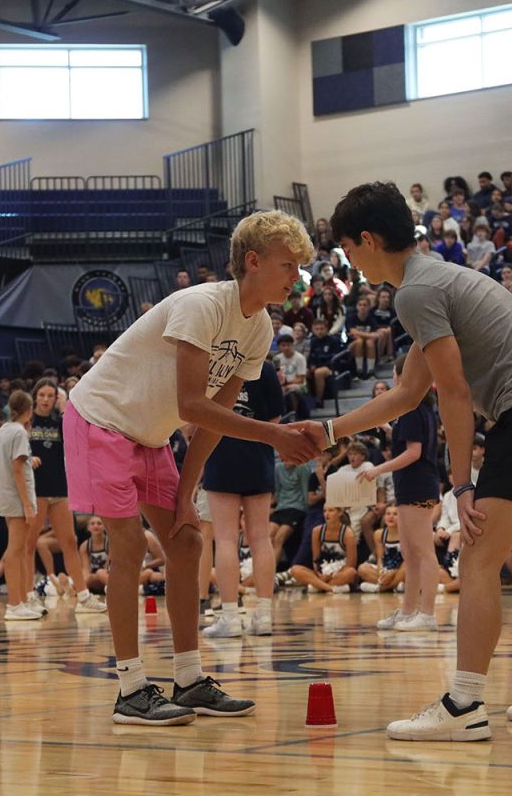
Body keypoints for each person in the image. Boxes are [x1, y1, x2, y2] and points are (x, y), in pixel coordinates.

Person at [315, 181, 512, 741]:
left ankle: (464, 704)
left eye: (348, 247)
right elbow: (405, 395)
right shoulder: (438, 280)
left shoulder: (415, 293)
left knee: (477, 557)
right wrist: (327, 429)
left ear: (368, 239)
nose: (348, 260)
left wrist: (462, 482)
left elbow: (454, 392)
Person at [64, 210, 315, 726]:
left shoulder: (261, 328)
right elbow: (193, 403)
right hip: (101, 419)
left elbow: (210, 422)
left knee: (186, 540)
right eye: (288, 265)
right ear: (253, 261)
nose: (296, 277)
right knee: (130, 545)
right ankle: (131, 689)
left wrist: (186, 492)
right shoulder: (202, 305)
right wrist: (275, 435)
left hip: (149, 435)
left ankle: (189, 678)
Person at [201, 360, 284, 638]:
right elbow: (275, 421)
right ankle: (263, 616)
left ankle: (230, 617)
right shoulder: (267, 368)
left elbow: (193, 416)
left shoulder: (213, 364)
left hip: (219, 451)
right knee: (260, 537)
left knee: (224, 538)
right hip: (258, 456)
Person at [359, 356, 442, 631]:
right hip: (413, 483)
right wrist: (388, 429)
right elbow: (409, 440)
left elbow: (413, 452)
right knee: (410, 551)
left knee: (423, 551)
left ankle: (427, 613)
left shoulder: (411, 407)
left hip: (417, 483)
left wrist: (376, 470)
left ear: (401, 375)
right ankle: (408, 611)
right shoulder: (421, 406)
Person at [29, 378, 107, 613]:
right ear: (35, 397)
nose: (45, 399)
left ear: (56, 399)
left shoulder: (60, 423)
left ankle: (83, 597)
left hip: (60, 490)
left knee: (70, 542)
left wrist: (65, 411)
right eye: (41, 395)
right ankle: (27, 597)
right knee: (28, 544)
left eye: (50, 396)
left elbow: (77, 444)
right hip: (36, 491)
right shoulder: (27, 423)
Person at [0, 391, 42, 621]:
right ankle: (14, 604)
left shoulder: (4, 429)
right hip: (17, 499)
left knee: (20, 550)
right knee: (15, 552)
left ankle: (22, 600)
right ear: (29, 409)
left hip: (6, 496)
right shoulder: (19, 432)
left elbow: (16, 464)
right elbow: (17, 469)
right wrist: (27, 504)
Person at [287, 505, 357, 592]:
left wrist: (331, 575)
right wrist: (319, 573)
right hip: (322, 572)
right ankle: (330, 588)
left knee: (351, 572)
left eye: (331, 510)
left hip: (339, 572)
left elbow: (350, 565)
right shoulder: (317, 531)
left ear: (340, 512)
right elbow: (316, 559)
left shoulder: (348, 534)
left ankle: (317, 586)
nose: (327, 514)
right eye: (324, 511)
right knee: (295, 569)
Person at [78, 516, 110, 594]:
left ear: (105, 527)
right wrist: (86, 581)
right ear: (88, 528)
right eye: (92, 524)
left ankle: (116, 589)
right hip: (93, 579)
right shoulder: (84, 546)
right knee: (82, 579)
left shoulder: (110, 543)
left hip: (107, 576)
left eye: (99, 523)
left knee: (100, 573)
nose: (96, 526)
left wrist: (100, 575)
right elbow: (85, 569)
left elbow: (109, 567)